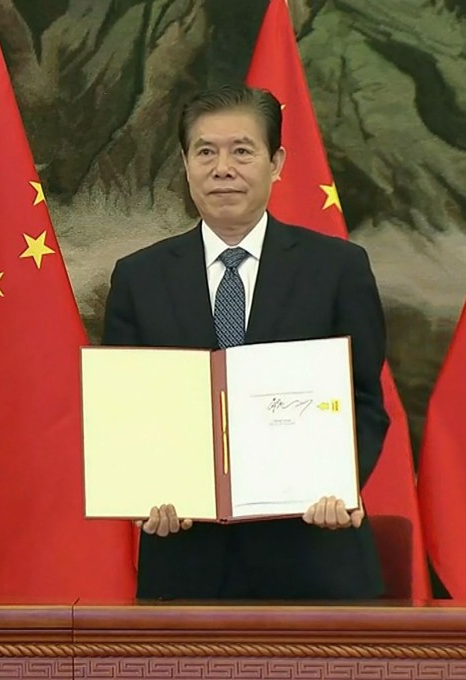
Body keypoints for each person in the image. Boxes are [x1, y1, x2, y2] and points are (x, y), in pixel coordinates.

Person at [102, 85, 388, 600]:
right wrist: (146, 494)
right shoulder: (138, 278)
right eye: (205, 152)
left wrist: (341, 485)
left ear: (276, 162)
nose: (223, 168)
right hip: (186, 562)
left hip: (313, 554)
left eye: (242, 150)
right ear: (185, 164)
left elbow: (365, 401)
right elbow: (128, 412)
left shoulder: (338, 268)